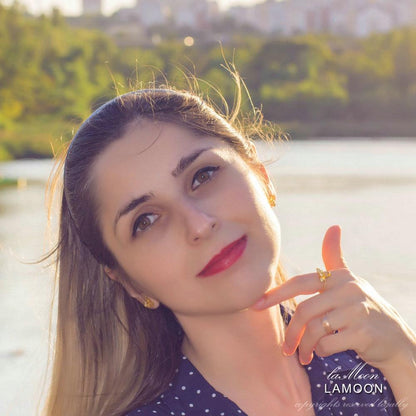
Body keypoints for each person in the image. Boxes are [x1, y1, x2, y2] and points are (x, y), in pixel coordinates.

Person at [43, 86, 416, 416]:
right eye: (147, 220)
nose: (199, 224)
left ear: (262, 178)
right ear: (128, 281)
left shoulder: (368, 357)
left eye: (202, 176)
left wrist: (404, 357)